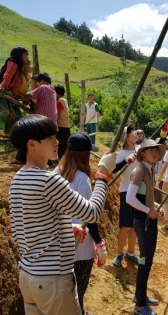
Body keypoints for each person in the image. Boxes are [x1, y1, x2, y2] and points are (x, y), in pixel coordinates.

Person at [8, 114, 116, 314]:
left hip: (29, 277)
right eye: (50, 138)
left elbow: (30, 223)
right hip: (53, 281)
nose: (57, 142)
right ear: (32, 145)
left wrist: (68, 228)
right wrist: (102, 174)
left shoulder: (18, 179)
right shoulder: (48, 180)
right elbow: (92, 213)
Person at [53, 132, 108, 315]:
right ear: (84, 154)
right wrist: (99, 243)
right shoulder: (82, 179)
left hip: (61, 244)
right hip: (81, 245)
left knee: (66, 292)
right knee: (79, 290)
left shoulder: (56, 172)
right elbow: (90, 216)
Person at [127, 139, 166, 315]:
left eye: (156, 150)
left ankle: (140, 295)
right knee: (144, 261)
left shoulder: (149, 170)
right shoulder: (139, 170)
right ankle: (140, 306)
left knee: (147, 260)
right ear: (142, 152)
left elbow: (146, 198)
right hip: (142, 222)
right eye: (150, 149)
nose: (155, 152)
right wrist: (148, 211)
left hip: (149, 220)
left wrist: (155, 210)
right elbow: (129, 198)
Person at [112, 124, 141, 267]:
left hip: (139, 191)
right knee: (125, 225)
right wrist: (126, 160)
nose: (136, 133)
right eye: (133, 132)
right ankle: (119, 254)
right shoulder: (122, 154)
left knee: (135, 225)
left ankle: (130, 253)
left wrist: (163, 134)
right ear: (127, 137)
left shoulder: (139, 150)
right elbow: (113, 169)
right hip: (126, 190)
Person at [54, 84, 70, 159]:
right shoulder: (64, 100)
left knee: (61, 146)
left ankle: (61, 163)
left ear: (56, 92)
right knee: (64, 146)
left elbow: (56, 112)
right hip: (65, 126)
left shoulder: (60, 100)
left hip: (61, 126)